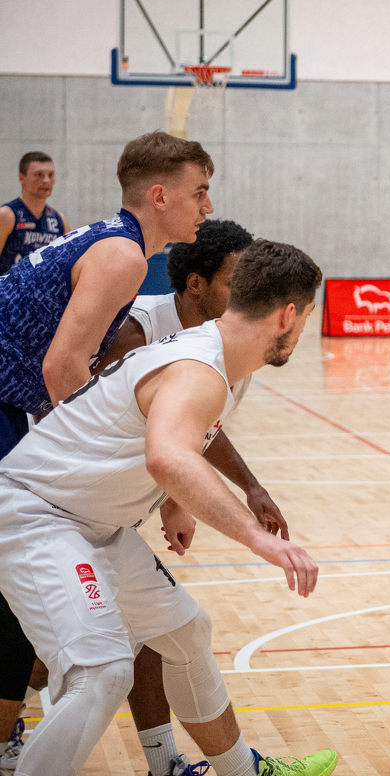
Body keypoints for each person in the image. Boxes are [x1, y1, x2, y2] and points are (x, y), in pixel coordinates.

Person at [0, 239, 334, 776]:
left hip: (95, 522)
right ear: (287, 315)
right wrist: (256, 537)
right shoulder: (198, 367)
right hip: (37, 514)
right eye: (308, 316)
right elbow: (168, 456)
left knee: (187, 633)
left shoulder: (213, 356)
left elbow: (176, 440)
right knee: (102, 670)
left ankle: (243, 773)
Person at [0, 132, 215, 758]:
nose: (207, 206)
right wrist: (93, 455)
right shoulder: (123, 256)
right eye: (199, 192)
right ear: (160, 196)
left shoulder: (107, 239)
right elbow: (63, 367)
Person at [76, 220, 288, 776]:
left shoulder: (227, 342)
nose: (246, 295)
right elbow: (86, 410)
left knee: (159, 633)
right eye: (235, 282)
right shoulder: (141, 328)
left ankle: (168, 764)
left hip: (115, 511)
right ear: (197, 284)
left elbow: (196, 427)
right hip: (72, 506)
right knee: (90, 660)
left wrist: (245, 486)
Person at [0, 153, 70, 276]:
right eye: (39, 175)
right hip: (9, 287)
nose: (46, 180)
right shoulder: (7, 215)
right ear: (22, 178)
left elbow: (66, 266)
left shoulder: (60, 220)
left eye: (51, 175)